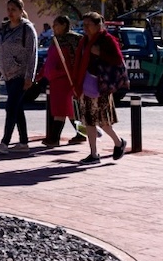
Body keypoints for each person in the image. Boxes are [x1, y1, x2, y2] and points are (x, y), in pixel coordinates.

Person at [75, 11, 126, 163]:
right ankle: (94, 154)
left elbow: (118, 60)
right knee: (89, 121)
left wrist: (100, 53)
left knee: (104, 123)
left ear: (98, 25)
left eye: (88, 25)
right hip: (86, 85)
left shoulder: (106, 40)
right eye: (84, 25)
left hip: (101, 87)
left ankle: (119, 143)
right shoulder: (84, 41)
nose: (85, 28)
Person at [0, 0, 39, 153]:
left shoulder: (27, 29)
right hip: (7, 74)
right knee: (17, 109)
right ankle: (23, 142)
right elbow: (1, 51)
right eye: (8, 9)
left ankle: (5, 142)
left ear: (21, 10)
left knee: (11, 107)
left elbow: (32, 54)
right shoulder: (5, 28)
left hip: (20, 74)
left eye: (14, 9)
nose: (10, 12)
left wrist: (29, 76)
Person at [40, 15, 81, 146]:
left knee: (63, 109)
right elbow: (50, 60)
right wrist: (41, 74)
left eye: (56, 24)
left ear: (64, 25)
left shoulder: (73, 39)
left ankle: (54, 138)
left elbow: (76, 59)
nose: (53, 27)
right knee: (67, 110)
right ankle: (81, 134)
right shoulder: (55, 40)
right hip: (55, 80)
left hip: (66, 79)